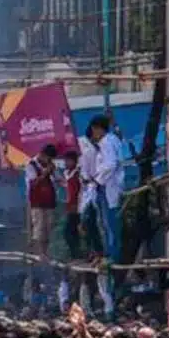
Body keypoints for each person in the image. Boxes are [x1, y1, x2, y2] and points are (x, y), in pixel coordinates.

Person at [90, 114, 124, 266]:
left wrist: (98, 179)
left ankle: (112, 255)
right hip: (113, 184)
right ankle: (112, 253)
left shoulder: (105, 142)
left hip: (108, 185)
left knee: (110, 223)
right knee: (110, 222)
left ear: (98, 129)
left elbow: (110, 164)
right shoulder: (114, 139)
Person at [24, 144, 58, 257]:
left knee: (49, 225)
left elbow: (56, 179)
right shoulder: (31, 165)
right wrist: (45, 173)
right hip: (36, 201)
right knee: (39, 226)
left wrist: (53, 172)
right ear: (43, 155)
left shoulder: (50, 165)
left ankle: (46, 251)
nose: (50, 160)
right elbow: (33, 183)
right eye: (49, 157)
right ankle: (41, 253)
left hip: (49, 200)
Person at [61, 150, 82, 260]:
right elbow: (69, 187)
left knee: (68, 231)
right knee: (72, 231)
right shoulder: (67, 173)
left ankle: (76, 254)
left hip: (77, 206)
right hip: (70, 206)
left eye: (67, 161)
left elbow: (78, 189)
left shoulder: (78, 173)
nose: (65, 163)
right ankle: (75, 254)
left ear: (73, 161)